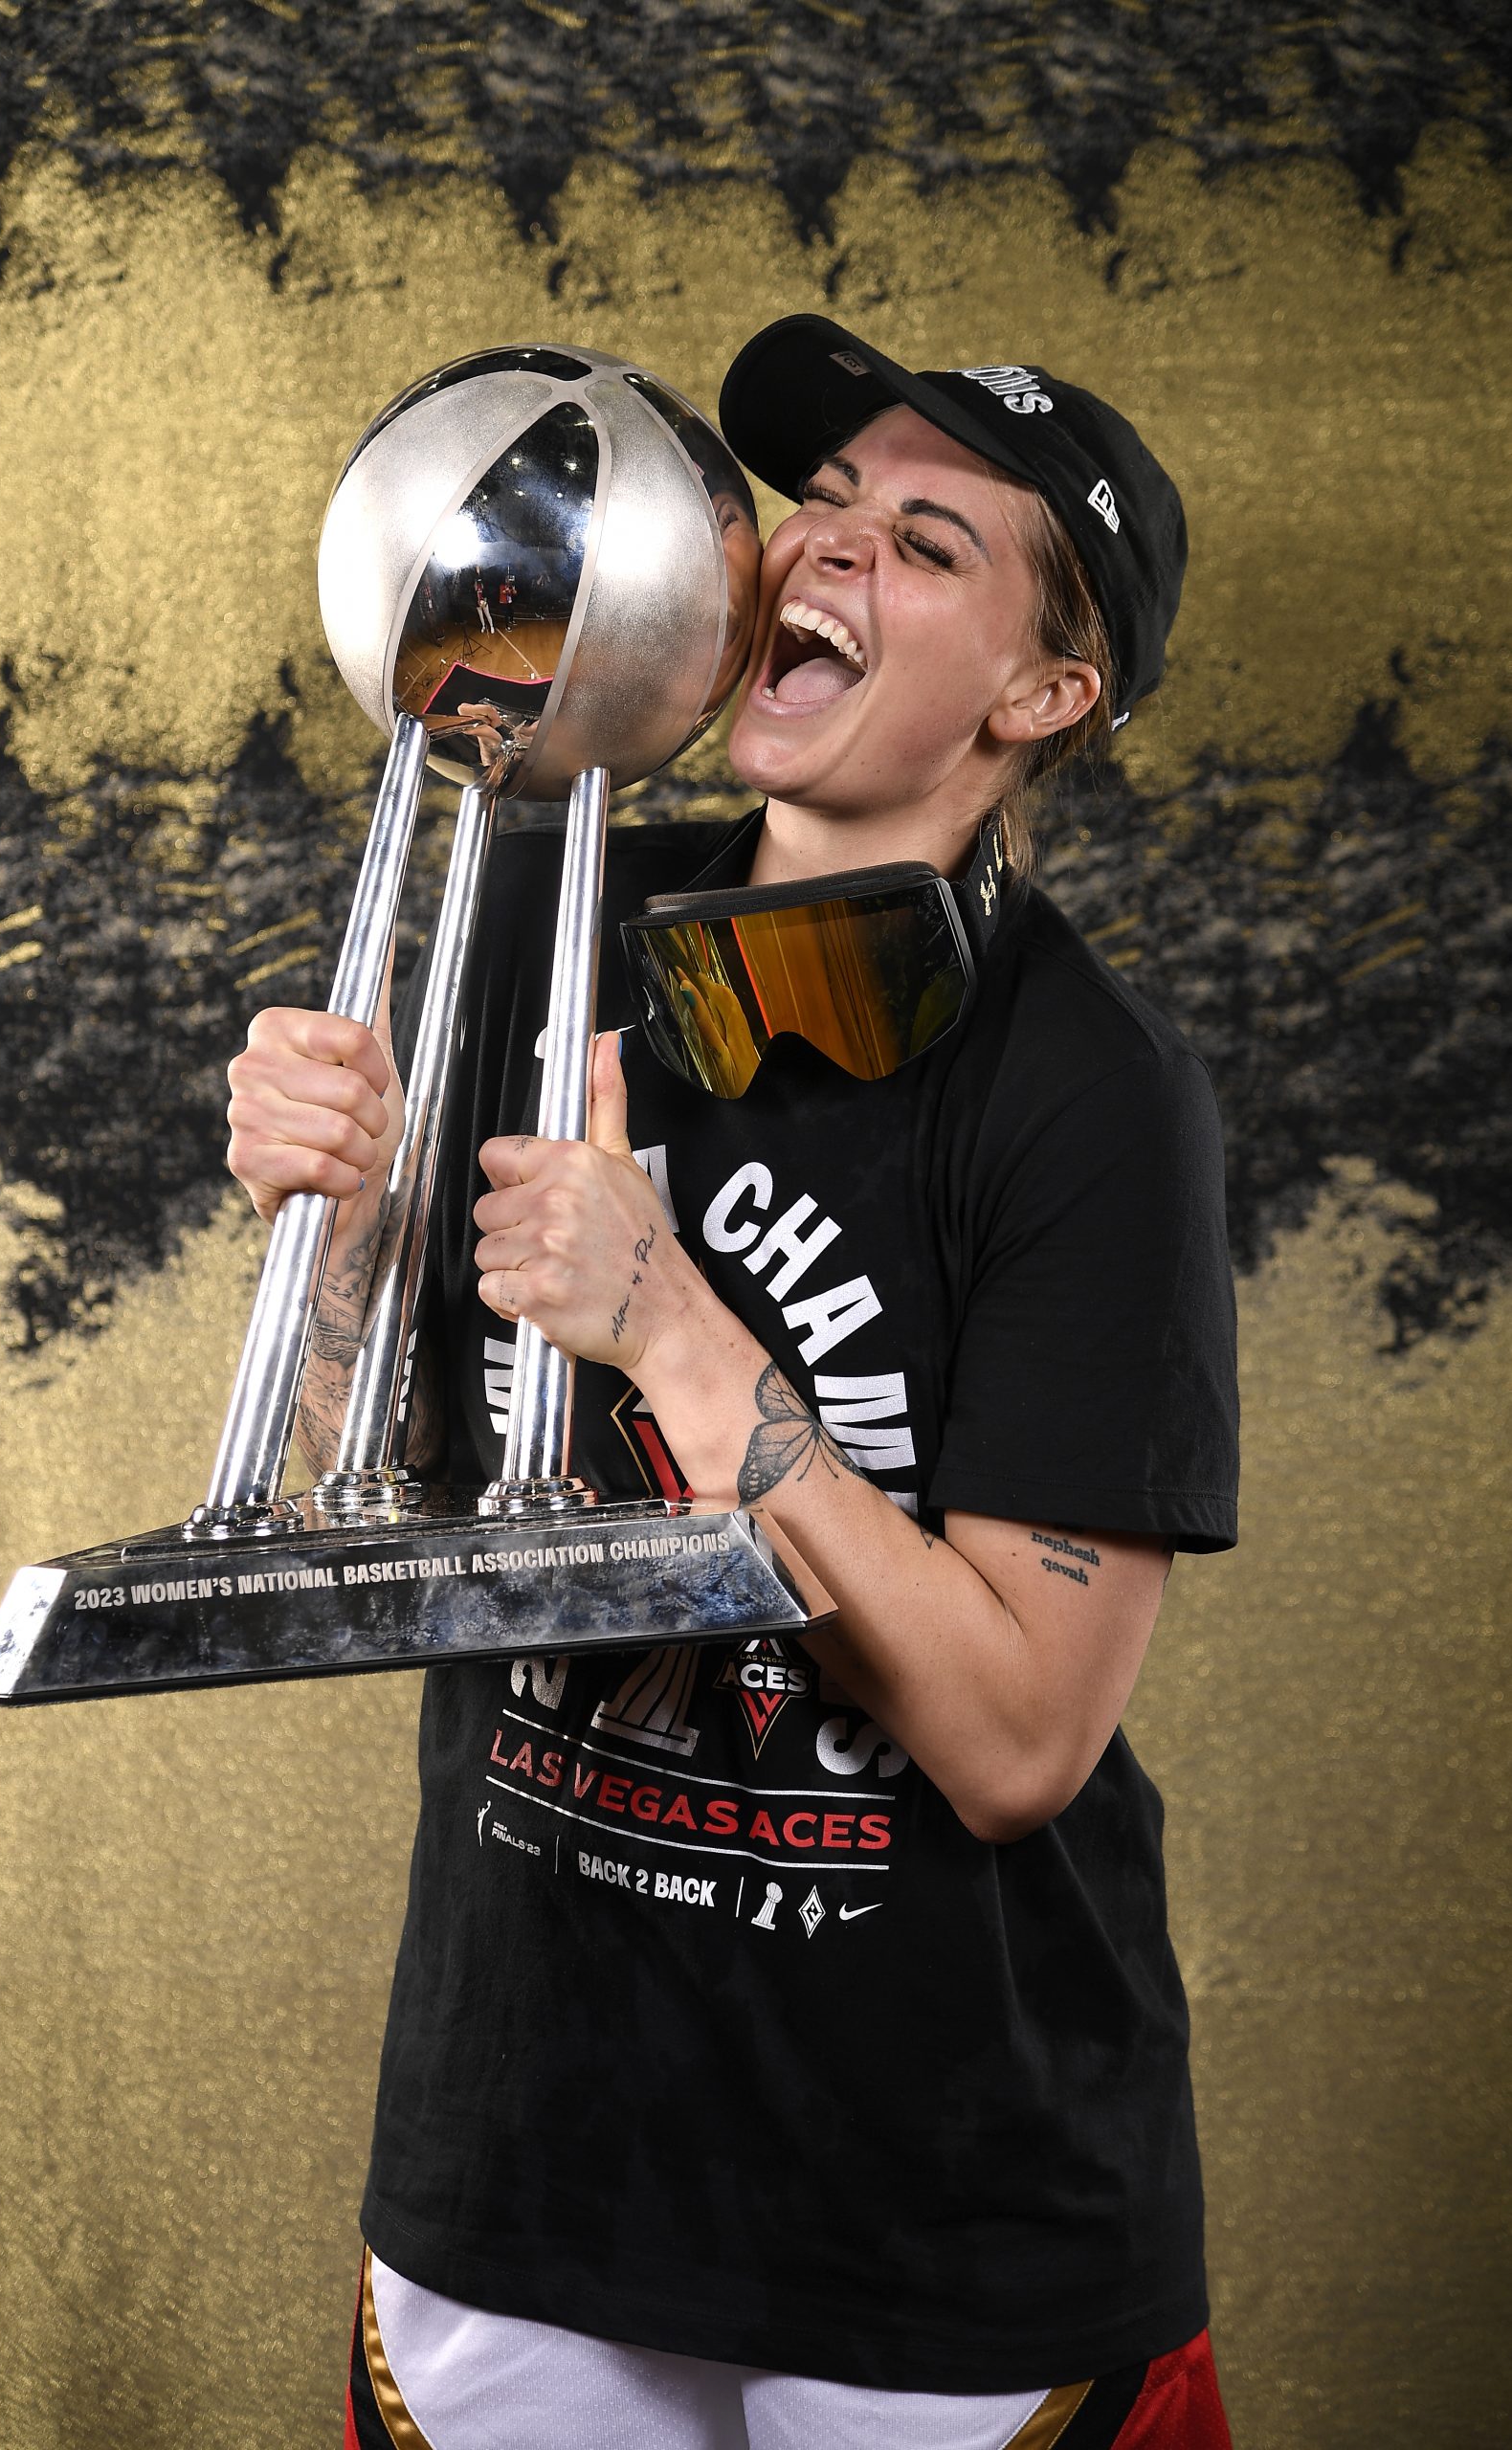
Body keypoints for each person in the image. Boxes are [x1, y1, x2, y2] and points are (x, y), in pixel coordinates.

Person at [226, 317, 1240, 2449]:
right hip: (519, 2170)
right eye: (825, 507)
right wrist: (331, 1224)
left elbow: (1017, 1737)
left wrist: (681, 1331)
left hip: (935, 2228)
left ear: (1041, 692)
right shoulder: (548, 909)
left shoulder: (1088, 1094)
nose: (823, 556)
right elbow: (388, 1495)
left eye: (926, 540)